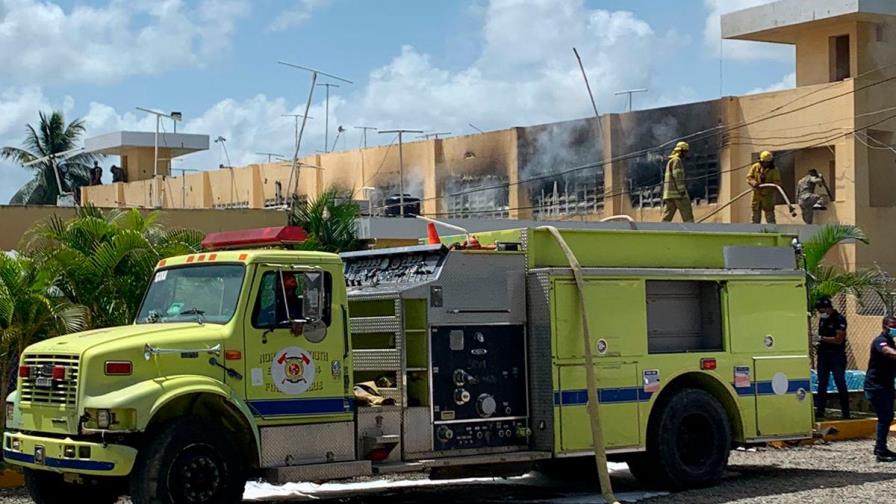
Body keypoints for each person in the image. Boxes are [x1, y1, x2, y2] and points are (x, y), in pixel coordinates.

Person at [863, 316, 896, 462]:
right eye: (892, 326)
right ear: (884, 326)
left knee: (887, 416)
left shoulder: (891, 342)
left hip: (886, 385)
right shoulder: (880, 341)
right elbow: (887, 352)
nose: (894, 329)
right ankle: (881, 451)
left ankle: (880, 448)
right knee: (885, 416)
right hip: (875, 386)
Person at [814, 297, 850, 419]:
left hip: (836, 355)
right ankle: (820, 411)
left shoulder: (839, 319)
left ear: (827, 308)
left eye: (821, 310)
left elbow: (839, 339)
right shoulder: (823, 319)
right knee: (822, 383)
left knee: (840, 382)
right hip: (823, 355)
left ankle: (846, 412)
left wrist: (821, 338)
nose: (820, 313)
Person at [661, 141, 693, 223]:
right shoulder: (677, 160)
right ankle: (692, 228)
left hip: (669, 195)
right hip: (678, 194)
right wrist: (682, 190)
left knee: (667, 216)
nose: (686, 154)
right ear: (681, 151)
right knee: (687, 212)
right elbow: (678, 176)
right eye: (685, 152)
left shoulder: (670, 161)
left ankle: (661, 228)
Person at [746, 150, 782, 224]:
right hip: (756, 196)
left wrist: (768, 187)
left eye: (768, 162)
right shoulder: (755, 167)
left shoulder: (774, 170)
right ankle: (755, 230)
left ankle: (771, 229)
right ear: (761, 161)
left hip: (768, 197)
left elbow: (777, 182)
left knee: (770, 218)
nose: (767, 164)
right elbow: (749, 177)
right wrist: (754, 183)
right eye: (765, 162)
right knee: (755, 219)